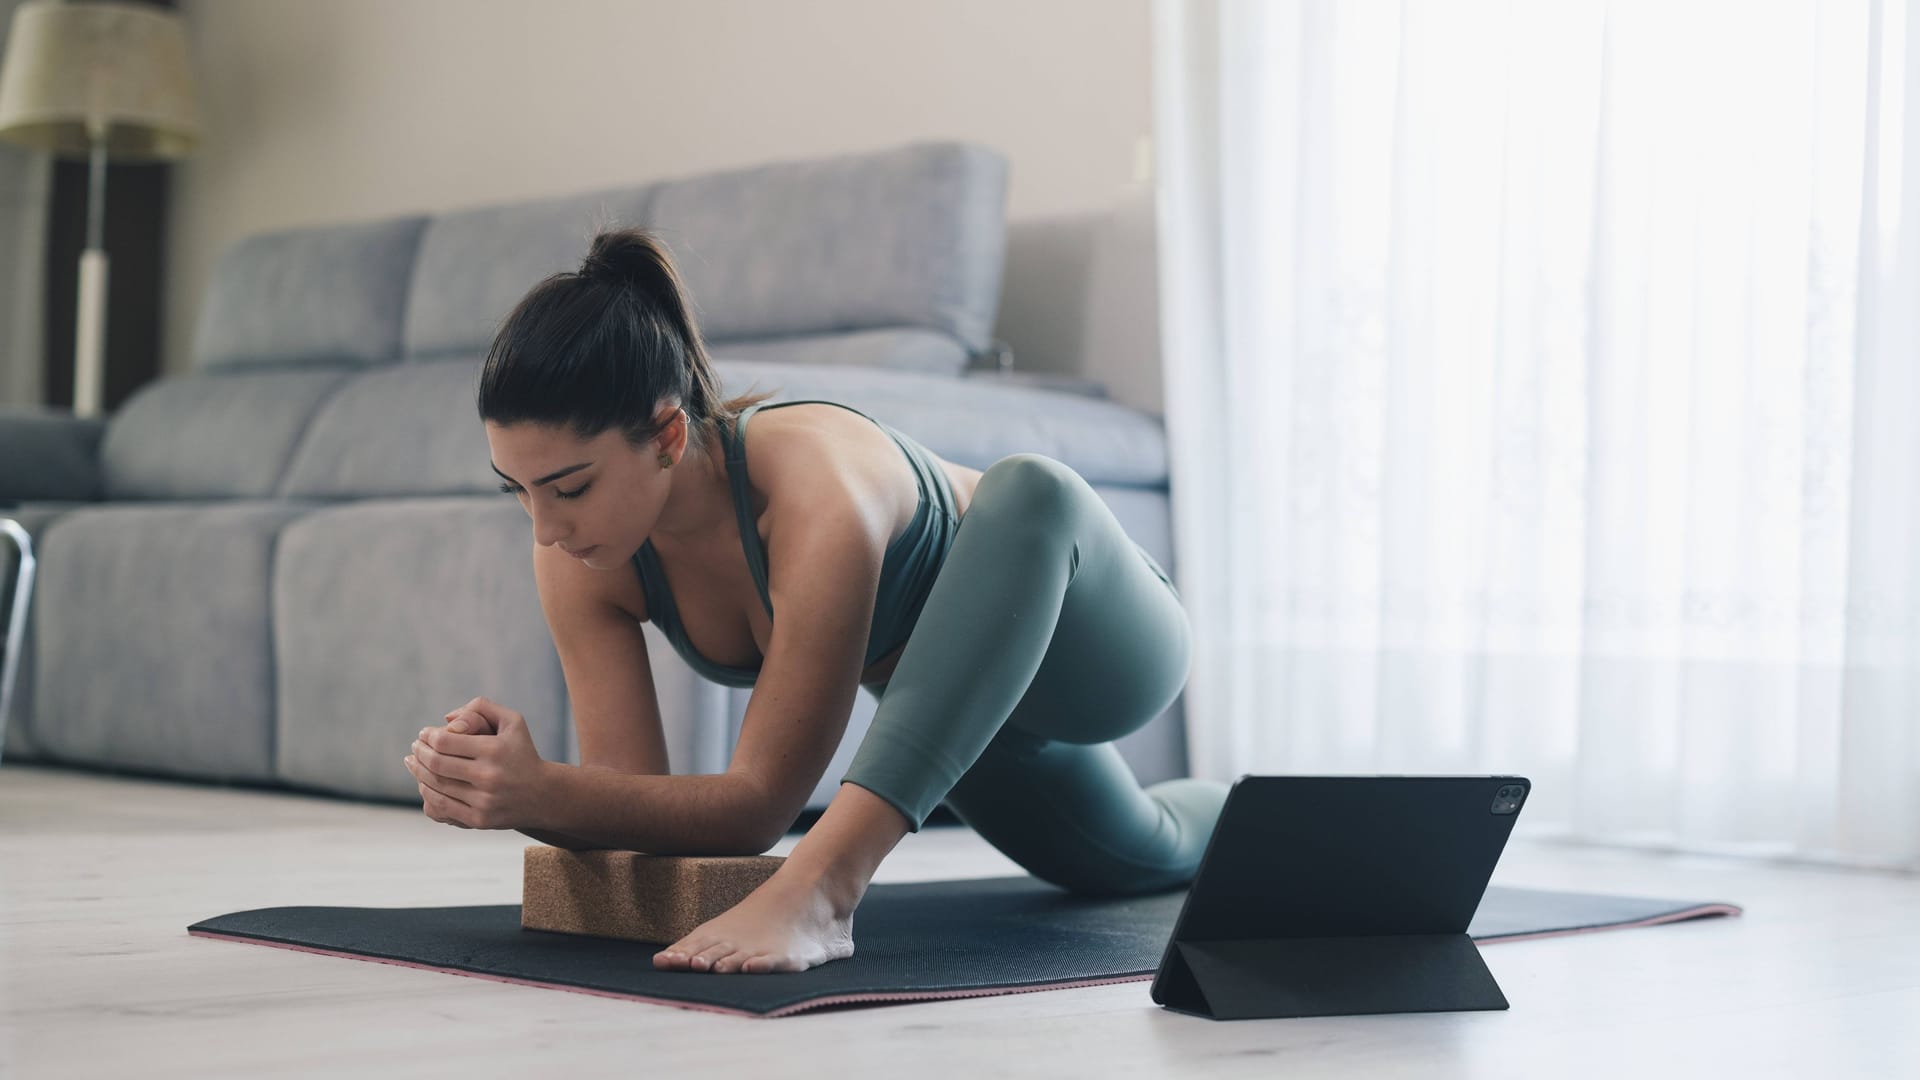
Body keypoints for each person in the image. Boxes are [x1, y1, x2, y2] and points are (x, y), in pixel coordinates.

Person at [400, 226, 1227, 975]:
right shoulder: (578, 554)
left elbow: (758, 805)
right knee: (1143, 855)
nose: (543, 527)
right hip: (955, 720)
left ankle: (826, 893)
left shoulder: (813, 487)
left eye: (568, 487)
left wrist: (547, 791)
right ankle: (1260, 807)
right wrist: (513, 790)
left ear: (667, 436)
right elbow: (631, 801)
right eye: (518, 490)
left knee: (1029, 489)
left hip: (1096, 645)